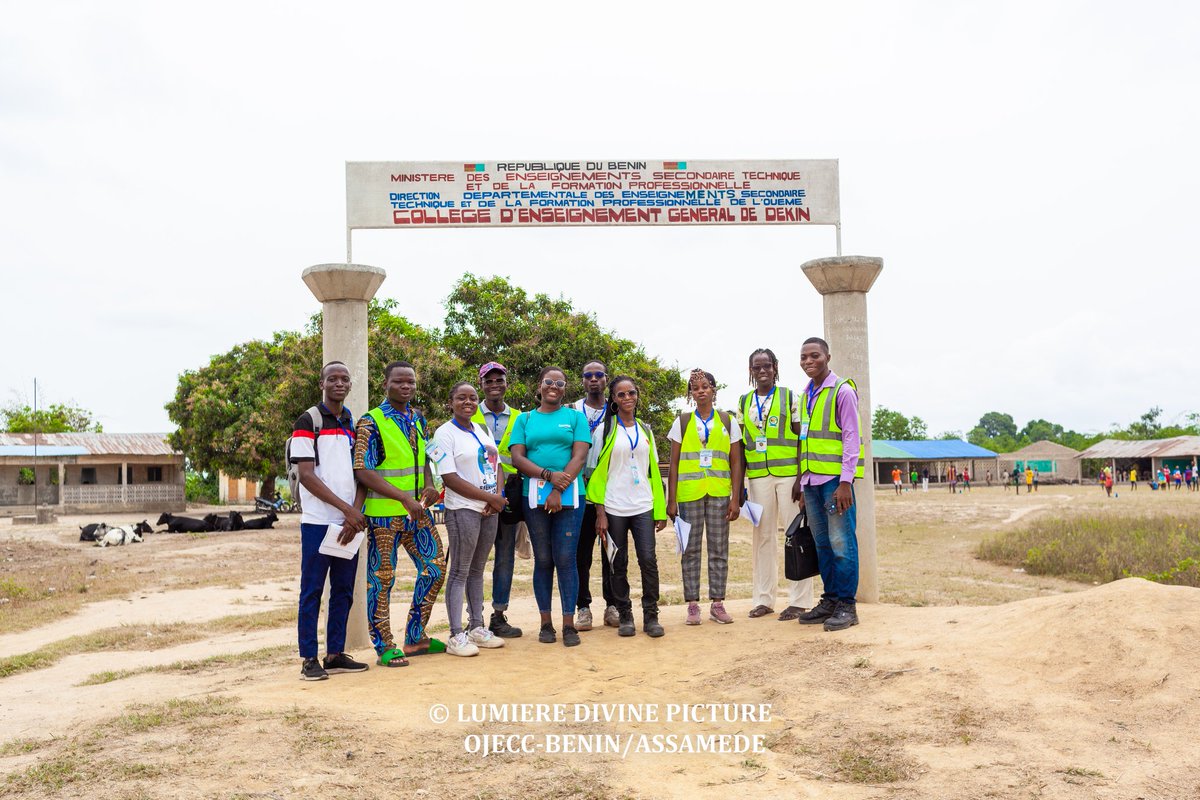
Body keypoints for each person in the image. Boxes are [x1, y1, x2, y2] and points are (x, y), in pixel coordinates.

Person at [353, 361, 447, 667]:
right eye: (399, 382)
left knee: (435, 568)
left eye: (411, 383)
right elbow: (363, 470)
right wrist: (404, 498)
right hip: (383, 515)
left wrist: (430, 485)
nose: (406, 387)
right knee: (382, 580)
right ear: (386, 385)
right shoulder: (371, 421)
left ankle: (415, 637)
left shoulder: (417, 418)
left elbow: (426, 459)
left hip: (416, 512)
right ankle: (384, 646)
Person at [292, 361, 370, 681]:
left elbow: (361, 472)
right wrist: (346, 510)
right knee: (312, 590)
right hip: (317, 522)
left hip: (348, 523)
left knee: (343, 590)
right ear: (321, 383)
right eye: (332, 378)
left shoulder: (353, 423)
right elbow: (306, 476)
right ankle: (309, 658)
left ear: (350, 386)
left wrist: (355, 512)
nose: (339, 383)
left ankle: (335, 654)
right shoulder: (308, 420)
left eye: (344, 379)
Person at [509, 366, 591, 647]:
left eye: (559, 382)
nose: (553, 386)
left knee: (566, 559)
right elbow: (518, 458)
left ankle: (569, 625)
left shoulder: (575, 418)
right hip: (533, 497)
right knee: (543, 560)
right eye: (548, 381)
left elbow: (579, 456)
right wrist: (546, 476)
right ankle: (546, 623)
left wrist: (558, 488)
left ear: (565, 388)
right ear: (540, 386)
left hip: (570, 496)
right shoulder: (524, 419)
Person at [587, 376, 668, 637]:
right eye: (621, 395)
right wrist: (599, 512)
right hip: (613, 506)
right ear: (613, 399)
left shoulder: (645, 429)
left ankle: (651, 615)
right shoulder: (604, 430)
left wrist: (660, 509)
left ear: (637, 395)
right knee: (617, 562)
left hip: (643, 504)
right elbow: (595, 473)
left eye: (631, 393)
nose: (627, 398)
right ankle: (625, 615)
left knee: (648, 560)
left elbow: (652, 471)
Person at [793, 337, 865, 632]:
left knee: (842, 544)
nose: (808, 362)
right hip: (812, 482)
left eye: (814, 356)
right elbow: (804, 439)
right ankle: (830, 599)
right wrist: (801, 479)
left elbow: (851, 439)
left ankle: (847, 605)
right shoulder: (806, 394)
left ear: (828, 357)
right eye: (803, 357)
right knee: (822, 544)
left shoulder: (842, 391)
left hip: (835, 483)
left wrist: (846, 482)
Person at [433, 382, 508, 657]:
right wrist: (489, 499)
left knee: (477, 570)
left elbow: (497, 465)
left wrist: (497, 495)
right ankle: (456, 635)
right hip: (463, 509)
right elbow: (449, 478)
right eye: (461, 398)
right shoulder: (443, 434)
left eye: (473, 398)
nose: (468, 402)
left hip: (489, 510)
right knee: (459, 571)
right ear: (451, 402)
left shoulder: (482, 429)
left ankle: (477, 626)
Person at [738, 348, 813, 621]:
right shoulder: (744, 402)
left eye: (766, 366)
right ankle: (763, 599)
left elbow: (802, 438)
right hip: (758, 478)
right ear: (750, 370)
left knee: (796, 535)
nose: (762, 372)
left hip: (788, 477)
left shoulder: (790, 397)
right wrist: (740, 488)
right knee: (763, 538)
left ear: (775, 367)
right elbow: (740, 447)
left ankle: (800, 600)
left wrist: (802, 478)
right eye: (756, 367)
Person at [666, 369, 742, 626]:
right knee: (690, 549)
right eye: (695, 387)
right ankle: (692, 605)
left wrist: (735, 498)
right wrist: (671, 499)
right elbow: (674, 463)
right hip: (689, 495)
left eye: (705, 386)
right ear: (691, 393)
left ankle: (717, 603)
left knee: (719, 548)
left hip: (720, 493)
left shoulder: (728, 421)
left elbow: (736, 461)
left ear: (713, 390)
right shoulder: (683, 422)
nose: (700, 391)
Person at [472, 361, 524, 639]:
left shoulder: (519, 417)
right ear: (481, 384)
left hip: (510, 494)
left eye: (499, 380)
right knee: (474, 558)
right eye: (488, 381)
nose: (494, 385)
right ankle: (473, 617)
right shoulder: (470, 412)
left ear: (506, 383)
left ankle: (498, 615)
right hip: (476, 492)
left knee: (504, 556)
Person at [572, 360, 617, 631]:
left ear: (606, 379)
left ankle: (612, 604)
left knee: (611, 552)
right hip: (579, 491)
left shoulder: (616, 409)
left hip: (611, 491)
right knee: (581, 554)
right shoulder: (573, 410)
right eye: (588, 375)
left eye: (598, 375)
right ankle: (583, 607)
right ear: (582, 381)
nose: (593, 379)